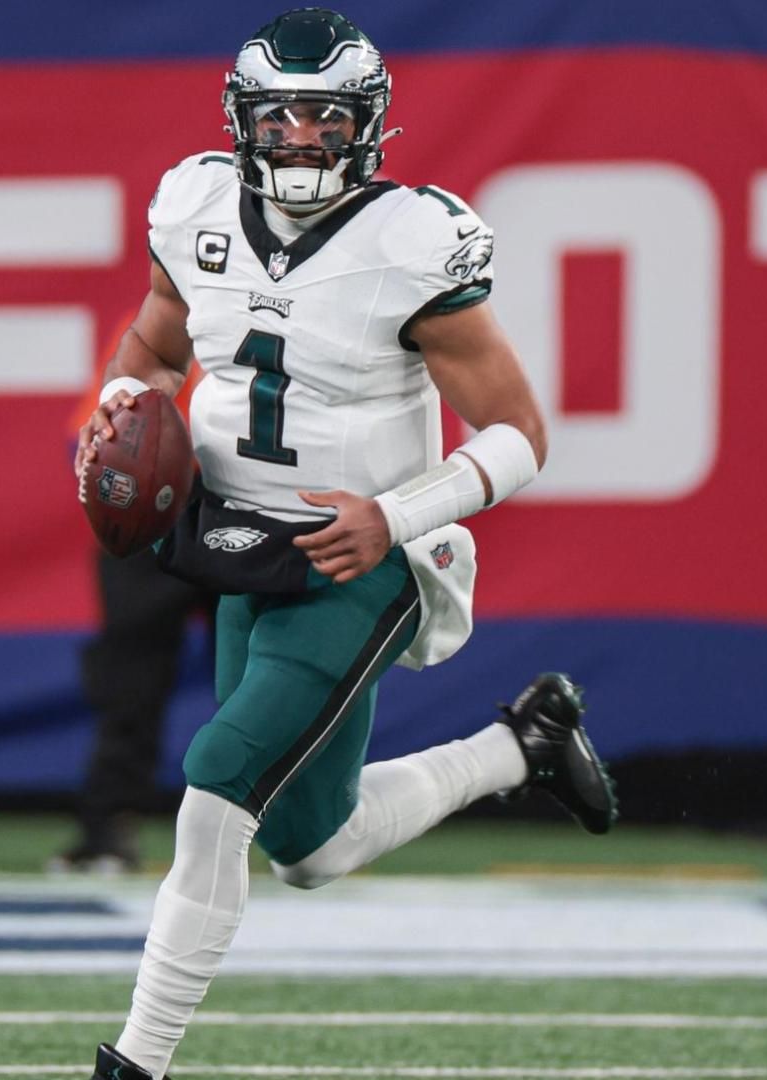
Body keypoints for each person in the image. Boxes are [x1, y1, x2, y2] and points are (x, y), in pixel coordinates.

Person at [72, 10, 620, 1077]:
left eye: (327, 117)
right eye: (280, 116)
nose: (303, 139)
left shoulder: (410, 241)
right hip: (235, 539)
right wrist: (123, 402)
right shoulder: (194, 208)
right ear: (243, 120)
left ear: (367, 127)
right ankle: (526, 745)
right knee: (311, 848)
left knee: (220, 779)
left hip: (362, 558)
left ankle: (135, 1063)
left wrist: (396, 517)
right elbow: (152, 336)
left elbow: (523, 436)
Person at [53, 323, 215, 875]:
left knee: (267, 672)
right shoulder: (160, 321)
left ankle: (294, 820)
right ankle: (108, 826)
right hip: (157, 511)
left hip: (248, 506)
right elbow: (95, 433)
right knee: (130, 680)